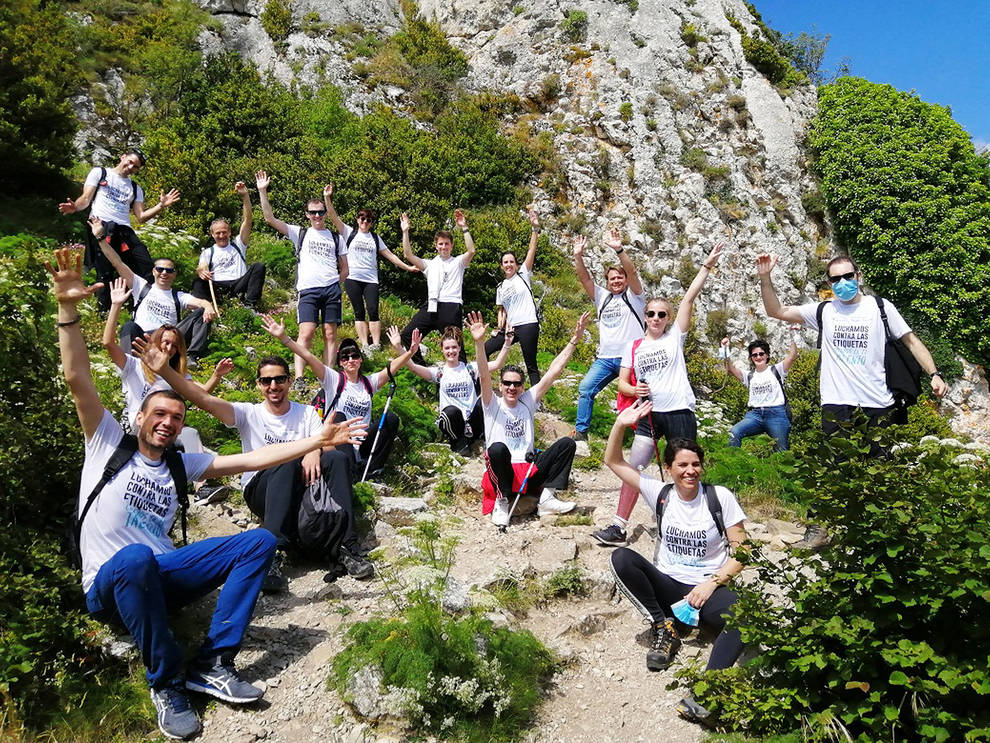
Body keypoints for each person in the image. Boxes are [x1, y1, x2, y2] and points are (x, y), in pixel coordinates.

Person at [48, 247, 365, 740]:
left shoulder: (181, 462)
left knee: (259, 541)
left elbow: (250, 461)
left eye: (176, 418)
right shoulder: (107, 442)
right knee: (134, 559)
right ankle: (167, 681)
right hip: (113, 583)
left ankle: (214, 661)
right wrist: (68, 311)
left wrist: (320, 440)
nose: (169, 422)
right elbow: (77, 378)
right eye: (159, 414)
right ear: (139, 417)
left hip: (166, 575)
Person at [756, 253, 948, 548]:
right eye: (836, 279)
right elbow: (776, 311)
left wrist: (934, 373)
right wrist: (765, 278)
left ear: (858, 276)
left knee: (882, 471)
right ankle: (818, 531)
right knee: (832, 467)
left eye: (848, 276)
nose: (843, 283)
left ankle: (883, 536)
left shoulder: (880, 307)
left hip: (878, 403)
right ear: (829, 283)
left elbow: (911, 341)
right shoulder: (824, 311)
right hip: (837, 402)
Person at [604, 401, 748, 725]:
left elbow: (743, 551)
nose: (690, 471)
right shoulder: (660, 492)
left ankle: (706, 695)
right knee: (621, 558)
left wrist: (711, 583)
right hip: (668, 584)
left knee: (744, 615)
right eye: (682, 465)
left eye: (696, 464)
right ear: (669, 467)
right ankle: (663, 624)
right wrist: (620, 425)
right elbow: (612, 460)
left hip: (706, 589)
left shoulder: (719, 496)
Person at [592, 243, 723, 548]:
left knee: (686, 466)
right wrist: (633, 389)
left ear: (668, 317)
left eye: (661, 314)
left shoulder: (675, 337)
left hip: (679, 410)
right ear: (645, 315)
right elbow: (623, 383)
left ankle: (694, 522)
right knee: (634, 465)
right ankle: (618, 525)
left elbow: (689, 298)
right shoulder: (634, 346)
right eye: (650, 313)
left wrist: (706, 266)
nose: (655, 318)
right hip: (647, 412)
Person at [103, 277, 233, 503]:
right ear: (155, 340)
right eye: (165, 342)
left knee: (190, 433)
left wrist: (216, 375)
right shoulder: (134, 366)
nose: (169, 348)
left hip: (165, 428)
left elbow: (201, 393)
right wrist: (115, 306)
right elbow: (108, 344)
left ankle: (202, 488)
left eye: (174, 345)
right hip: (139, 425)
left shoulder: (176, 376)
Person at [262, 317, 422, 481]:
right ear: (340, 363)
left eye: (354, 356)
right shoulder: (333, 379)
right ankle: (350, 472)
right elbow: (308, 356)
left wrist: (409, 352)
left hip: (361, 441)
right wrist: (284, 338)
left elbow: (392, 368)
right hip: (338, 442)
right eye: (345, 357)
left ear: (360, 359)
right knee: (339, 416)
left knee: (391, 419)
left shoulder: (369, 383)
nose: (350, 360)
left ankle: (371, 470)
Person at [471, 309, 591, 525]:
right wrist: (480, 344)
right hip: (504, 471)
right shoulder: (492, 403)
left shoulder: (527, 400)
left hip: (529, 469)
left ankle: (546, 498)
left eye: (516, 383)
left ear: (522, 386)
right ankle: (502, 501)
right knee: (497, 448)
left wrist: (575, 339)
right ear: (500, 385)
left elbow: (554, 371)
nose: (511, 387)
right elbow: (482, 373)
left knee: (566, 444)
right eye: (506, 383)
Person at [256, 170, 349, 387]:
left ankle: (328, 377)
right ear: (307, 214)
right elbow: (269, 219)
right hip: (308, 289)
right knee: (306, 332)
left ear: (326, 213)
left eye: (321, 212)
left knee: (330, 333)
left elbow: (345, 268)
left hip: (331, 290)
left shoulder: (336, 238)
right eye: (313, 213)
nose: (317, 216)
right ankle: (299, 377)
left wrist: (336, 282)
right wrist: (262, 191)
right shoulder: (300, 233)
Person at [57, 149, 181, 311]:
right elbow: (85, 199)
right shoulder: (100, 173)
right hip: (101, 226)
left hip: (125, 231)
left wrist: (161, 206)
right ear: (122, 157)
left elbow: (141, 216)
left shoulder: (135, 188)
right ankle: (104, 313)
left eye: (135, 167)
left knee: (145, 267)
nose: (130, 167)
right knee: (105, 272)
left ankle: (141, 307)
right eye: (129, 162)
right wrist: (75, 207)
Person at [390, 324, 513, 455]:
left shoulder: (470, 368)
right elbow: (413, 367)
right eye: (447, 348)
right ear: (442, 350)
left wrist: (507, 343)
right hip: (453, 422)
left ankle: (480, 438)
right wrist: (398, 347)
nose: (451, 351)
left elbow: (498, 364)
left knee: (485, 400)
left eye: (454, 347)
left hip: (472, 422)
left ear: (459, 348)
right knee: (450, 411)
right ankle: (460, 442)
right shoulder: (439, 372)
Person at [322, 185, 419, 350]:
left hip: (371, 280)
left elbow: (390, 255)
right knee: (359, 311)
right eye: (362, 218)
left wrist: (408, 268)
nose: (364, 222)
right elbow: (332, 215)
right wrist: (327, 198)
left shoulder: (375, 238)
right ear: (357, 219)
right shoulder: (348, 232)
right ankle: (365, 345)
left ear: (371, 223)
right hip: (352, 278)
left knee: (373, 310)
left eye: (368, 219)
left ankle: (376, 344)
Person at [572, 229, 646, 442]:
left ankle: (644, 436)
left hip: (632, 359)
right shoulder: (602, 297)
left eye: (619, 277)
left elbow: (632, 273)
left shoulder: (635, 296)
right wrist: (578, 256)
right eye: (612, 278)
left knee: (640, 395)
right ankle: (581, 431)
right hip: (605, 358)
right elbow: (584, 278)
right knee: (586, 388)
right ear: (607, 281)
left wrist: (619, 250)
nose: (616, 281)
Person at [97, 243, 218, 368]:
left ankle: (191, 356)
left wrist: (208, 306)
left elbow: (199, 302)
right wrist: (100, 238)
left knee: (201, 312)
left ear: (174, 274)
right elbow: (117, 263)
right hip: (143, 337)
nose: (164, 273)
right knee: (129, 326)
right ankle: (128, 364)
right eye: (160, 269)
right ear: (154, 271)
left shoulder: (178, 296)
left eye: (169, 270)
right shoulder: (141, 286)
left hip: (168, 338)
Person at [398, 210, 475, 363]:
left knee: (456, 345)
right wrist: (405, 232)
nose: (444, 247)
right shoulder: (430, 264)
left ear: (452, 246)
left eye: (447, 244)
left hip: (451, 307)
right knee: (407, 335)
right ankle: (424, 370)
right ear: (436, 246)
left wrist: (464, 227)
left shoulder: (458, 262)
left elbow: (471, 250)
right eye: (441, 244)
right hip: (432, 305)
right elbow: (408, 255)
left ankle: (467, 381)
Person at [482, 208, 543, 385]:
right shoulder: (500, 287)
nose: (509, 264)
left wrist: (534, 229)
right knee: (485, 349)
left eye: (511, 262)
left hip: (528, 324)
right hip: (511, 327)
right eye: (505, 262)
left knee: (530, 363)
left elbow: (532, 249)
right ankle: (484, 384)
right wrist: (498, 328)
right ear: (502, 266)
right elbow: (502, 311)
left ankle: (535, 400)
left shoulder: (523, 274)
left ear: (516, 264)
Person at [719, 326, 799, 451]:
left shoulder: (776, 370)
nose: (758, 357)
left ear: (767, 355)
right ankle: (733, 465)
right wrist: (725, 349)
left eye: (761, 354)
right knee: (734, 432)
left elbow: (792, 357)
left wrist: (792, 336)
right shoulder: (749, 375)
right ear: (751, 358)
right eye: (754, 355)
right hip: (754, 415)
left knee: (782, 450)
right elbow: (730, 369)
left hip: (776, 414)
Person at [192, 181, 267, 309]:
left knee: (258, 267)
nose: (221, 236)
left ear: (230, 232)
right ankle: (202, 310)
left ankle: (250, 306)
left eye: (224, 232)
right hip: (218, 287)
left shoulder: (238, 244)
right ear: (212, 234)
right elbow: (202, 267)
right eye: (218, 233)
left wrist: (245, 196)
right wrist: (201, 272)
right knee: (198, 282)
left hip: (238, 284)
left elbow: (248, 220)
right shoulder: (208, 252)